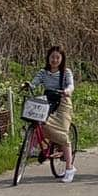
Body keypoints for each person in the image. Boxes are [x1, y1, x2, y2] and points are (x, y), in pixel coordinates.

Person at [23, 45, 76, 182]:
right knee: (38, 122)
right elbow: (35, 82)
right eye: (52, 57)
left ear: (62, 59)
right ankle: (37, 147)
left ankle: (69, 168)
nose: (54, 60)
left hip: (63, 103)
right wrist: (29, 85)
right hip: (48, 101)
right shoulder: (43, 72)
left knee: (62, 135)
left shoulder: (66, 72)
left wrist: (68, 91)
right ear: (48, 58)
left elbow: (71, 85)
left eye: (58, 57)